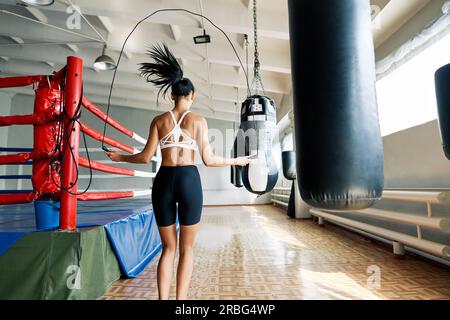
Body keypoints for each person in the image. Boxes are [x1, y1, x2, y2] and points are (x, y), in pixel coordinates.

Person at [105, 44, 251, 300]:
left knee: (168, 248)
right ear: (192, 95)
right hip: (188, 180)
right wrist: (236, 161)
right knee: (187, 249)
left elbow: (145, 157)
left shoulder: (159, 121)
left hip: (163, 180)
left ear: (172, 95)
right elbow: (208, 159)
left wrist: (120, 157)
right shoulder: (198, 121)